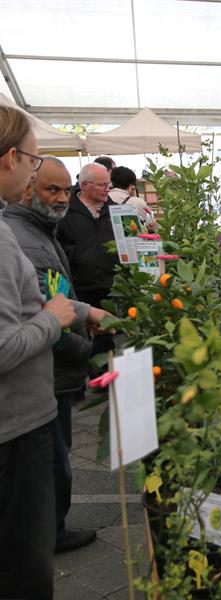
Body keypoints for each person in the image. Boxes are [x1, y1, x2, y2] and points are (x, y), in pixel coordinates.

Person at [0, 105, 99, 600]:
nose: (36, 173)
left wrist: (80, 311)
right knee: (24, 564)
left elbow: (38, 299)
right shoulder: (8, 236)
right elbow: (13, 336)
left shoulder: (19, 230)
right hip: (17, 421)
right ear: (11, 158)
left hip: (25, 410)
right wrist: (62, 323)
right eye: (36, 165)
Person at [58, 162, 119, 357]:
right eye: (102, 185)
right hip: (79, 287)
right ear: (85, 185)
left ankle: (105, 379)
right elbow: (58, 245)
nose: (107, 189)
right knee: (79, 343)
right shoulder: (65, 212)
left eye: (108, 184)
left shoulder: (116, 210)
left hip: (111, 286)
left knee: (107, 340)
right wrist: (78, 255)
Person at [109, 165, 155, 232]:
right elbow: (149, 225)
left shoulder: (103, 199)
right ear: (131, 186)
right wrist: (134, 195)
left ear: (112, 182)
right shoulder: (139, 202)